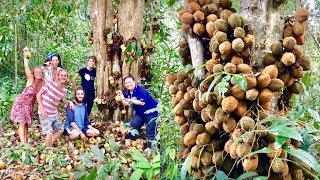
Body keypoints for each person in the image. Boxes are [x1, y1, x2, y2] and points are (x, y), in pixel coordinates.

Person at [116, 75, 159, 148]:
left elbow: (142, 103)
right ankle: (133, 143)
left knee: (150, 132)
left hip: (151, 113)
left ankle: (151, 150)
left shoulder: (141, 90)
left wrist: (130, 100)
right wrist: (122, 96)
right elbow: (125, 103)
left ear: (134, 82)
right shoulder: (128, 93)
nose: (128, 84)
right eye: (126, 83)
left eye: (130, 82)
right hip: (140, 113)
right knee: (133, 126)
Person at [10, 56, 45, 144]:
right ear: (33, 73)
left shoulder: (42, 83)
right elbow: (26, 67)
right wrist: (26, 60)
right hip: (21, 103)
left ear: (42, 74)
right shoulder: (30, 79)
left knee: (26, 124)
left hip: (29, 106)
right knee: (22, 123)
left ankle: (25, 142)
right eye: (36, 72)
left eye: (40, 72)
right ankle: (23, 145)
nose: (38, 73)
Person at [37, 69, 74, 147]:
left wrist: (70, 102)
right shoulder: (49, 84)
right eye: (61, 75)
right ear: (58, 76)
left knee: (61, 129)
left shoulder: (64, 91)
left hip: (54, 113)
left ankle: (48, 144)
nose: (63, 77)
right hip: (45, 112)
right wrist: (41, 107)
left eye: (65, 76)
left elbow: (62, 99)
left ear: (67, 77)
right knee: (49, 133)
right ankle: (48, 150)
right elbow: (38, 94)